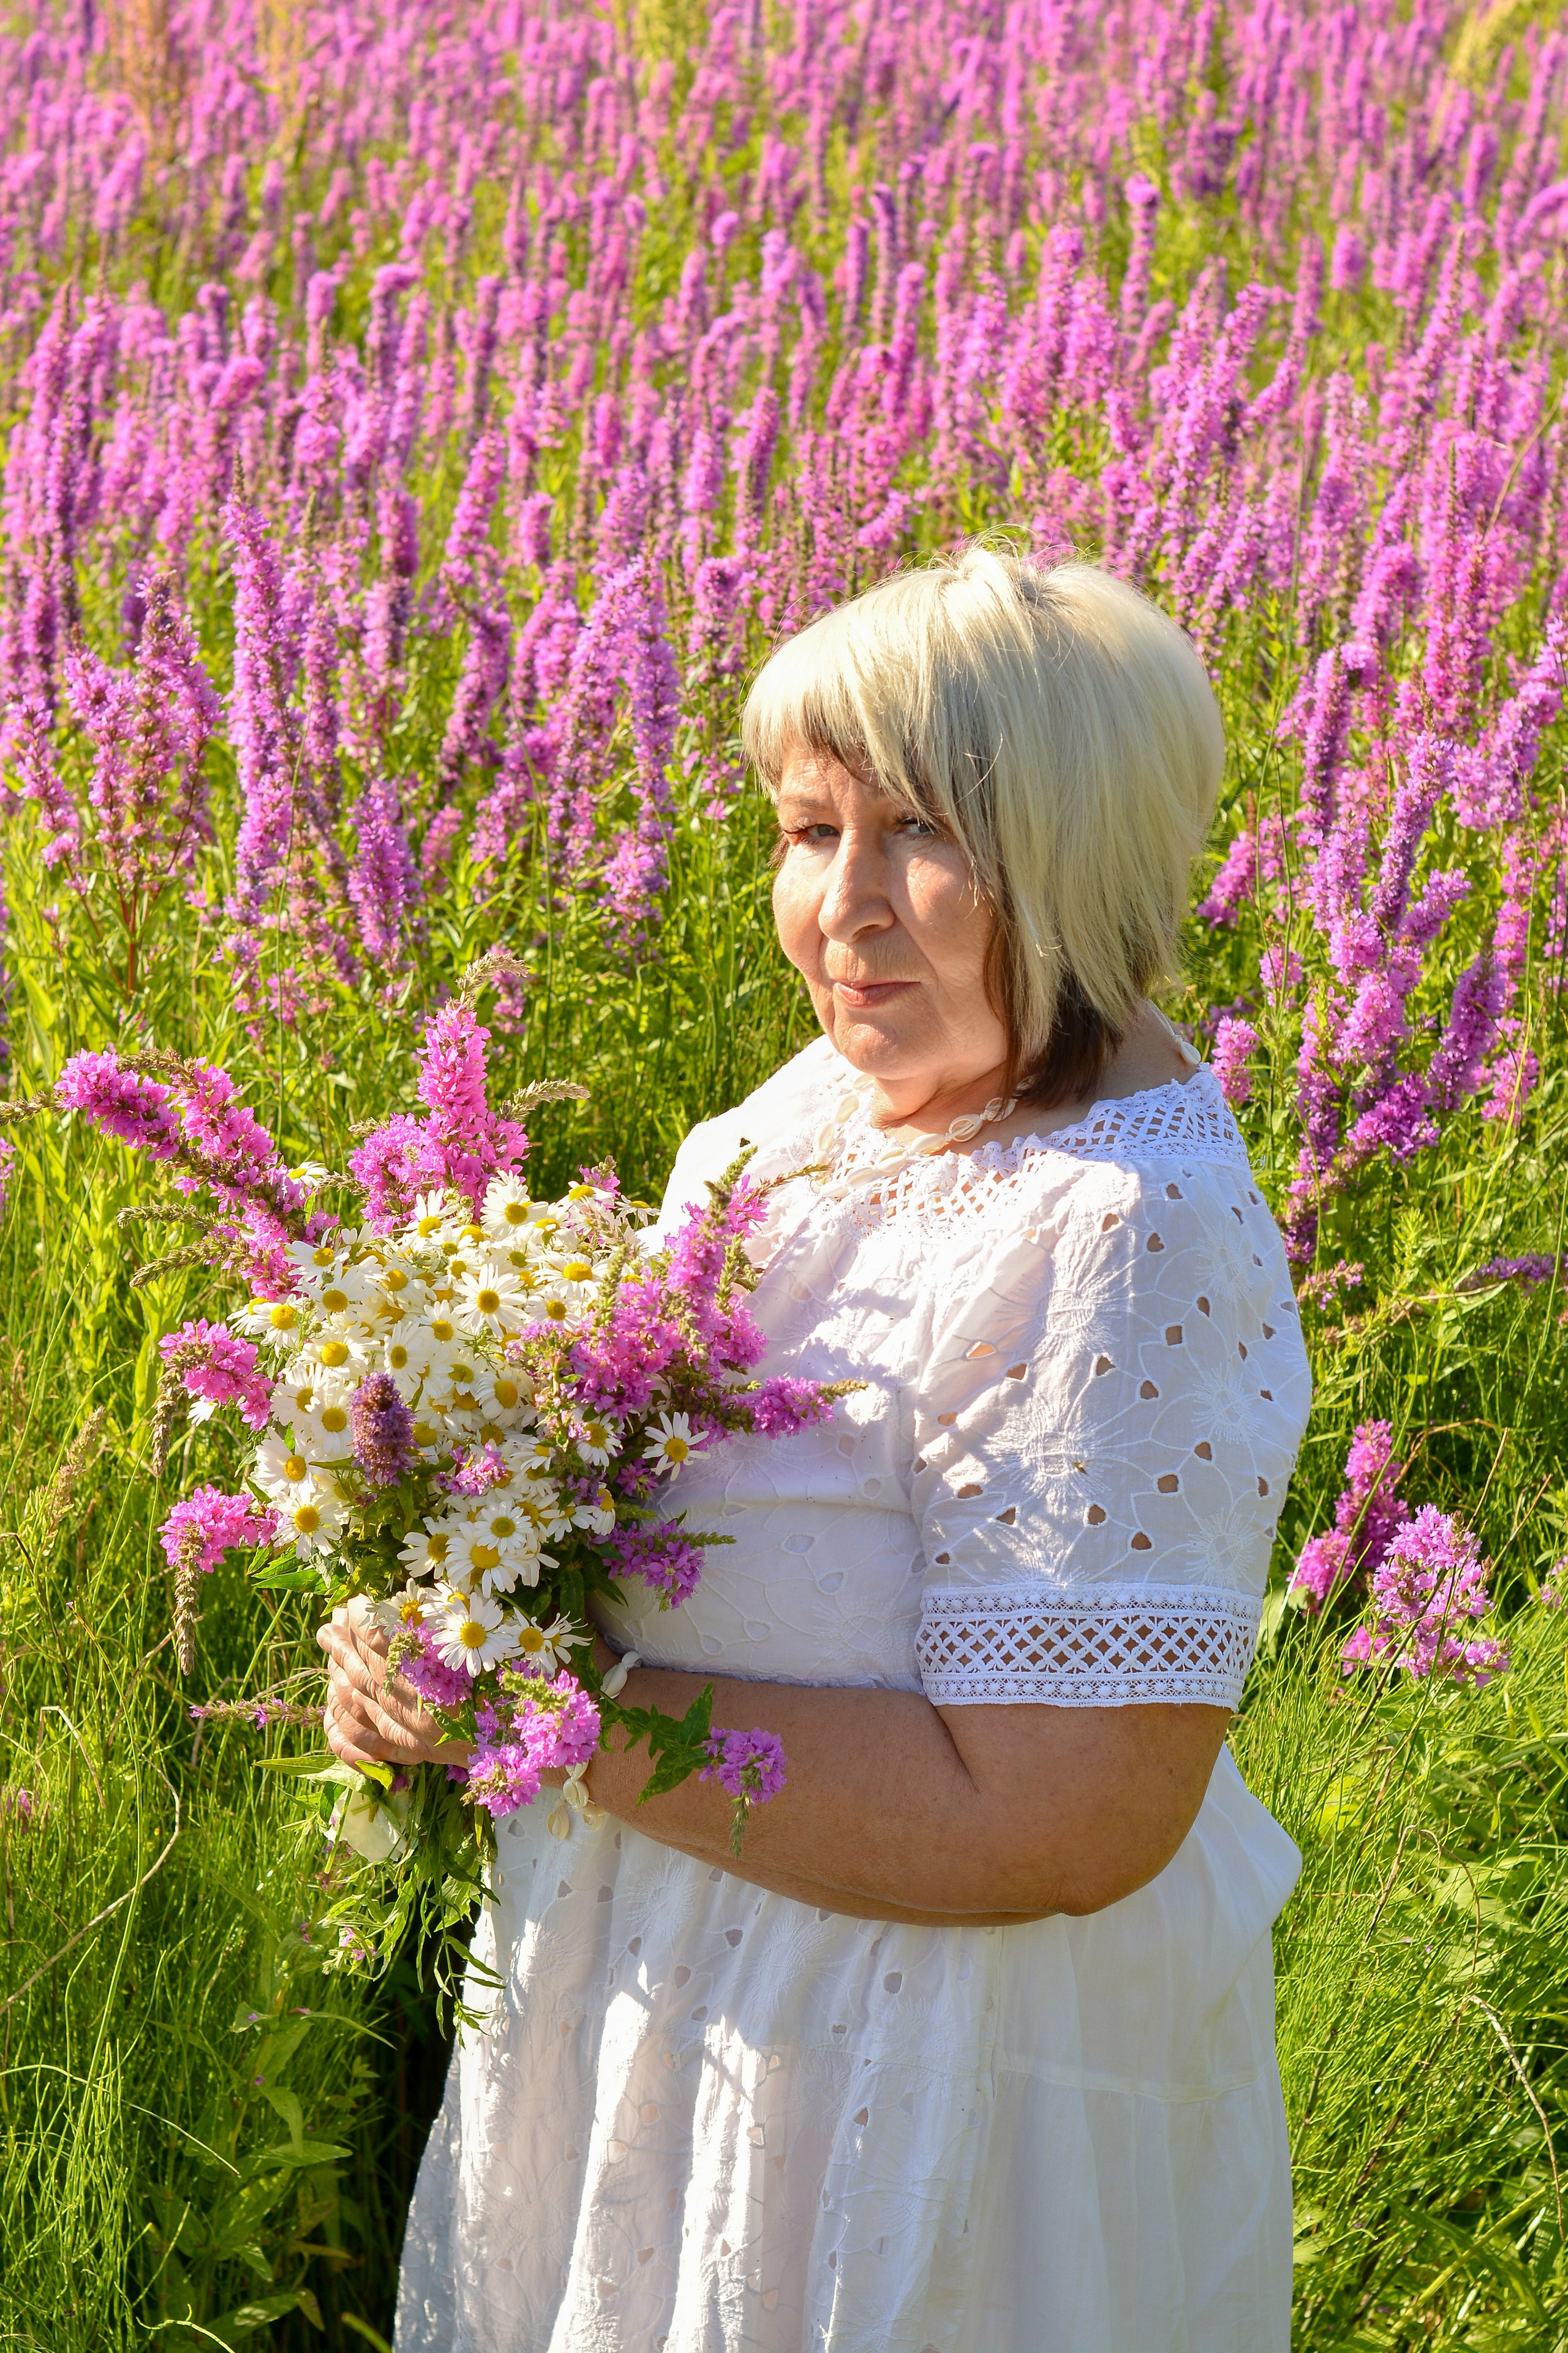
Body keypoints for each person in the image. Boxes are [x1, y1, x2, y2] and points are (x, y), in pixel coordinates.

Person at [321, 547, 1312, 2353]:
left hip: (920, 2098)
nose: (841, 908)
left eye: (919, 831)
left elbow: (1059, 1816)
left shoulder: (1121, 1230)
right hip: (679, 2007)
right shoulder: (819, 1107)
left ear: (1079, 853)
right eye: (805, 829)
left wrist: (565, 1718)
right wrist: (446, 1611)